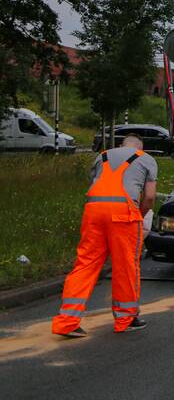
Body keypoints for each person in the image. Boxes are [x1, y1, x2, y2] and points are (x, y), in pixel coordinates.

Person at [52, 135, 156, 337]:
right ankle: (126, 319)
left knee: (86, 263)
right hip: (123, 213)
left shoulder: (103, 156)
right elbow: (150, 197)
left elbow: (96, 182)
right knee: (125, 265)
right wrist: (140, 214)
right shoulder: (145, 158)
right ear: (140, 148)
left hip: (94, 211)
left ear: (121, 145)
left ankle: (67, 321)